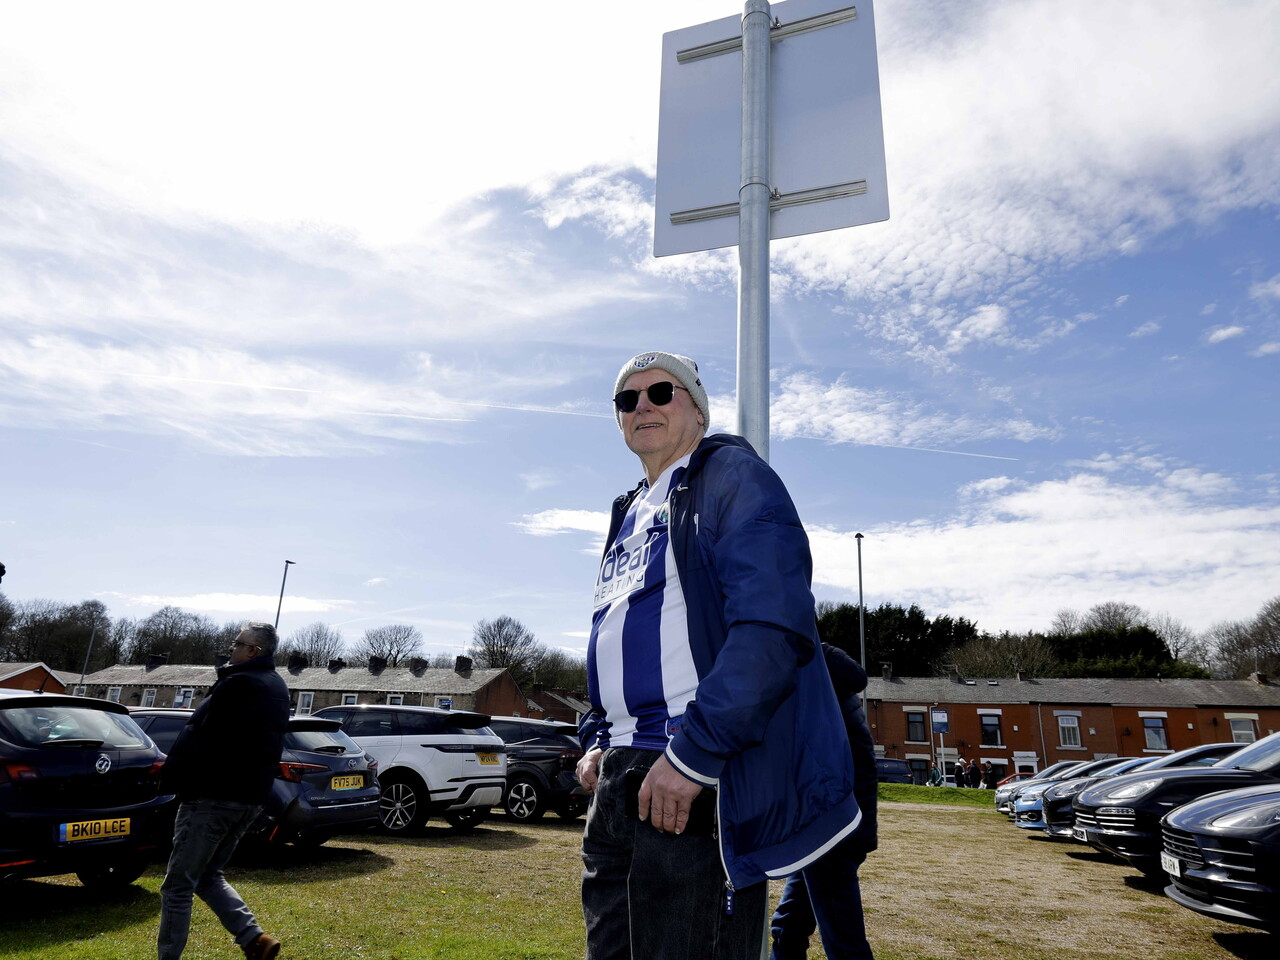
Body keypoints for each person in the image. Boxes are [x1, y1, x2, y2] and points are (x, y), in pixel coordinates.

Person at [576, 351, 860, 960]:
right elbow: (615, 627)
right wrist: (595, 735)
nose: (642, 406)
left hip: (688, 769)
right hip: (620, 775)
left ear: (698, 410)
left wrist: (695, 757)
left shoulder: (731, 476)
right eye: (627, 400)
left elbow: (771, 628)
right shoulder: (627, 511)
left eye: (661, 391)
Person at [157, 621, 290, 960]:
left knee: (177, 886)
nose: (230, 648)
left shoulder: (239, 683)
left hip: (212, 797)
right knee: (208, 876)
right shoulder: (276, 684)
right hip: (248, 798)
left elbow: (205, 737)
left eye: (237, 643)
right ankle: (254, 939)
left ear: (253, 651)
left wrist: (177, 776)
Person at [769, 643, 877, 960]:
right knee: (788, 927)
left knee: (844, 942)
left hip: (830, 825)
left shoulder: (809, 677)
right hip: (829, 823)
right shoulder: (827, 680)